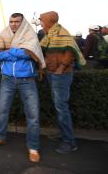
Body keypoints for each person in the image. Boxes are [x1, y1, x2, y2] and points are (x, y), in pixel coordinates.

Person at [0, 13, 46, 163]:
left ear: (23, 22)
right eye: (11, 21)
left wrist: (9, 52)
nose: (13, 24)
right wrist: (17, 52)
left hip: (27, 80)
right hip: (7, 79)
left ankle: (33, 147)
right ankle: (0, 136)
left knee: (33, 114)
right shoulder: (4, 34)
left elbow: (29, 53)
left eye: (17, 21)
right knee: (2, 110)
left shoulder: (29, 33)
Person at [39, 11, 85, 154]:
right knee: (59, 106)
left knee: (61, 107)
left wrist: (61, 68)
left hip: (61, 75)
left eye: (42, 20)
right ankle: (62, 133)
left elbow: (70, 52)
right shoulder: (50, 34)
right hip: (52, 73)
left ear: (49, 21)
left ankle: (69, 142)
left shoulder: (62, 33)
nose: (40, 23)